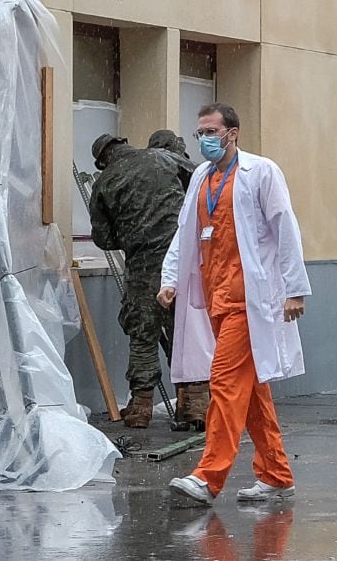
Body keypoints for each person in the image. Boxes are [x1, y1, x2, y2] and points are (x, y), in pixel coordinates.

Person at [159, 103, 310, 504]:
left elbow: (285, 227)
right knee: (253, 393)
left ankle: (208, 476)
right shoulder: (200, 178)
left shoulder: (261, 172)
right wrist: (170, 278)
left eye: (212, 131)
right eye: (200, 133)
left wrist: (295, 290)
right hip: (216, 298)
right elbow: (185, 232)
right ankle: (277, 473)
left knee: (224, 384)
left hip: (249, 300)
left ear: (233, 132)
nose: (205, 140)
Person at [88, 133, 208, 429]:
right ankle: (195, 404)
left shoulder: (104, 182)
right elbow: (202, 181)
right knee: (186, 333)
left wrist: (132, 234)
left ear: (103, 160)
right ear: (125, 142)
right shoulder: (163, 158)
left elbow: (103, 239)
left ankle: (141, 407)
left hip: (142, 267)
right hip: (182, 260)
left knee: (143, 334)